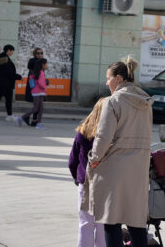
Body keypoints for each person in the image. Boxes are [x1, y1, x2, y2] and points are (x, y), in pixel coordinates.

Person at [82, 57, 153, 247]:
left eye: (108, 78)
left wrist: (94, 158)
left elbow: (103, 136)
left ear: (118, 79)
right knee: (136, 222)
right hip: (138, 168)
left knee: (111, 221)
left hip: (114, 167)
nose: (106, 83)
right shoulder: (145, 102)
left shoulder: (113, 101)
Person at [68, 98, 106, 247]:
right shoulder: (111, 135)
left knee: (85, 225)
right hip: (105, 183)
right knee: (103, 226)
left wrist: (77, 177)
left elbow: (72, 160)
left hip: (85, 182)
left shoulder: (82, 131)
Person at [17, 58, 48, 130]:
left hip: (36, 92)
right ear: (43, 64)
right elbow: (41, 83)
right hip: (39, 92)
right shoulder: (41, 72)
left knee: (40, 108)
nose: (47, 65)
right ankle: (21, 118)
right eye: (46, 63)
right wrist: (45, 86)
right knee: (36, 108)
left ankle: (39, 123)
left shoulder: (35, 72)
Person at [24, 48, 45, 126]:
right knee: (37, 104)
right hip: (34, 85)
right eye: (38, 53)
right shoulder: (32, 61)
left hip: (39, 85)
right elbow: (30, 68)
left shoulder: (42, 61)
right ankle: (27, 117)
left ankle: (34, 120)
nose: (40, 55)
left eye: (41, 53)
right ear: (34, 54)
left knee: (38, 104)